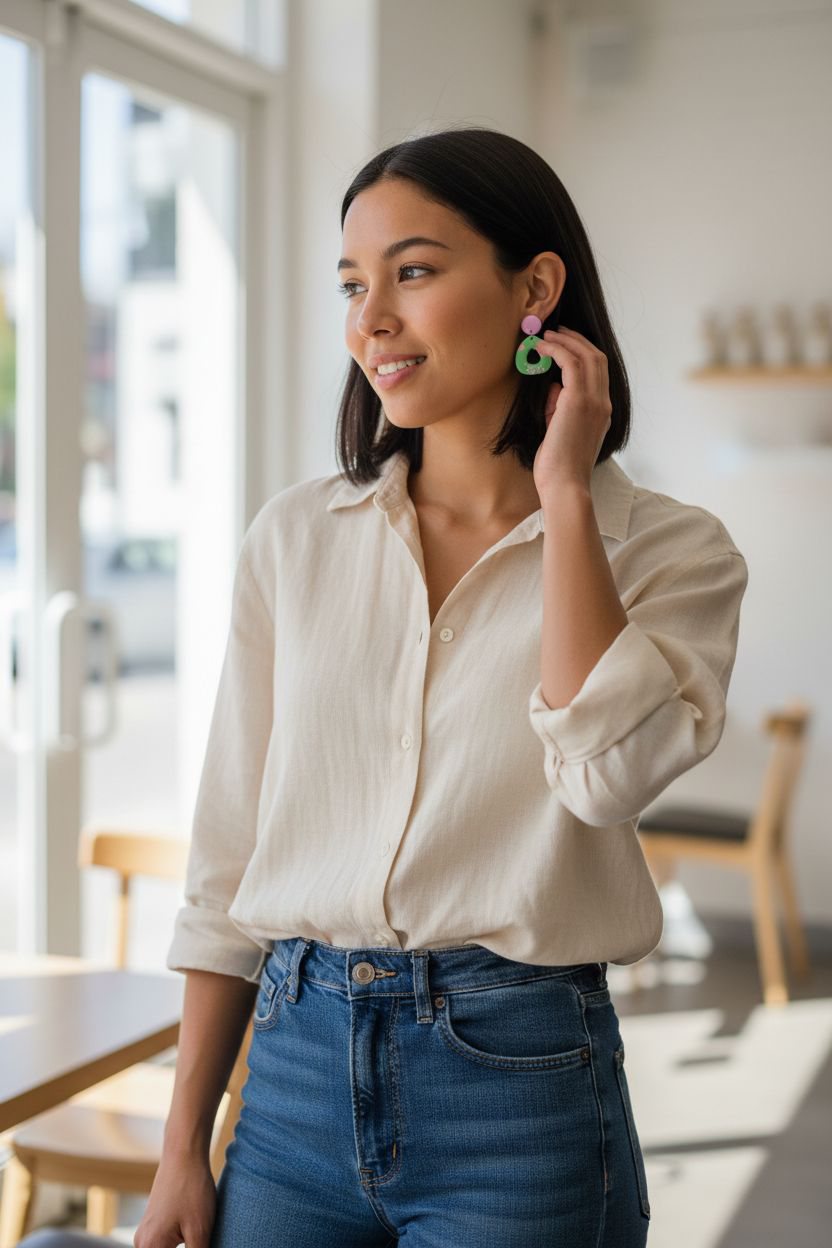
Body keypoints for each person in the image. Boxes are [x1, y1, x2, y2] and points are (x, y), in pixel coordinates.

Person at [134, 127, 748, 1248]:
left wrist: (567, 497)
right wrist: (182, 1145)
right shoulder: (295, 539)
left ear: (535, 291)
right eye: (351, 284)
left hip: (518, 1084)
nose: (370, 319)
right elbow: (227, 858)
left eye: (411, 272)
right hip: (292, 1075)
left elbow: (607, 778)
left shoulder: (672, 554)